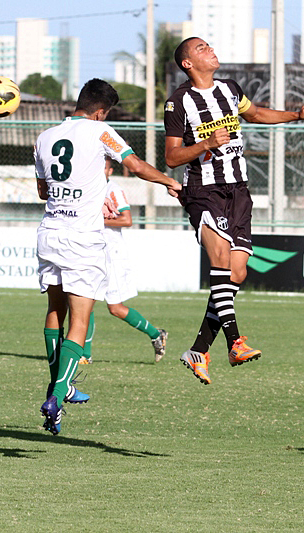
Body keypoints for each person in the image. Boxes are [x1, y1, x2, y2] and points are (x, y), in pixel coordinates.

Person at [164, 37, 304, 385]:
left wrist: (297, 114)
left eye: (210, 45)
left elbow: (256, 114)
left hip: (239, 190)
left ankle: (197, 350)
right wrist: (206, 143)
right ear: (188, 63)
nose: (211, 50)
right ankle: (235, 341)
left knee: (236, 274)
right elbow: (172, 157)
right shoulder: (178, 102)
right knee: (220, 260)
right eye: (202, 49)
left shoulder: (230, 89)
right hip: (203, 190)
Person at [35, 78, 180, 435]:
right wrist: (169, 182)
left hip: (49, 232)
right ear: (101, 112)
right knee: (80, 323)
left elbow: (42, 190)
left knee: (55, 311)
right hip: (83, 239)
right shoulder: (101, 132)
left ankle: (61, 384)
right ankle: (56, 393)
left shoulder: (45, 136)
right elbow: (137, 165)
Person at [77, 158, 168, 365]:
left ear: (110, 170)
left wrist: (99, 220)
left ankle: (156, 334)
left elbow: (127, 219)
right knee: (86, 303)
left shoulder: (113, 189)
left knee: (115, 308)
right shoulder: (87, 190)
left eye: (103, 168)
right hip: (92, 250)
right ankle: (85, 354)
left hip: (111, 253)